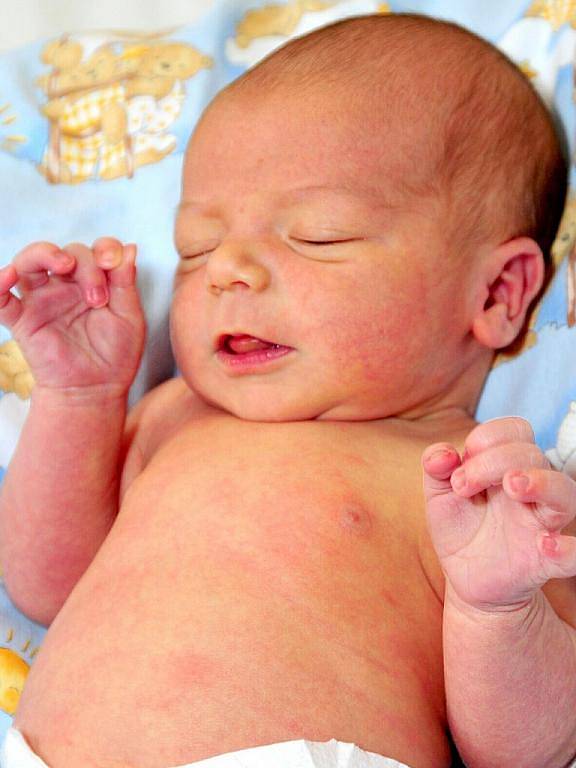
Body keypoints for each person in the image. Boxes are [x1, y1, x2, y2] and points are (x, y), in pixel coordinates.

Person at [0, 11, 571, 768]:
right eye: (195, 248)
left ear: (498, 293)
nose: (231, 269)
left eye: (318, 235)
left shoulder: (473, 489)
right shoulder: (175, 416)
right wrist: (78, 396)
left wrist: (496, 607)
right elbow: (47, 588)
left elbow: (531, 749)